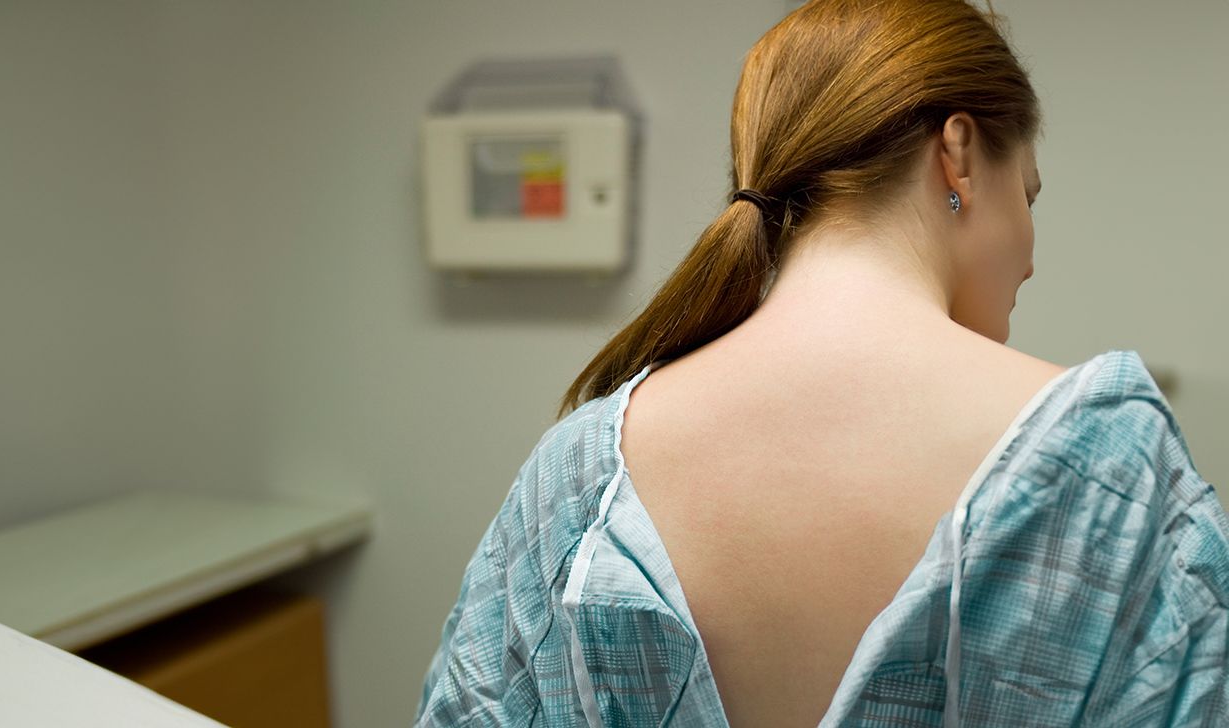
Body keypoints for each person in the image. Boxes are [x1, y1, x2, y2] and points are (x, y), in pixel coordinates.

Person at [414, 0, 1229, 725]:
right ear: (960, 154)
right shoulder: (1112, 473)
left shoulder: (577, 479)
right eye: (1031, 195)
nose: (1030, 256)